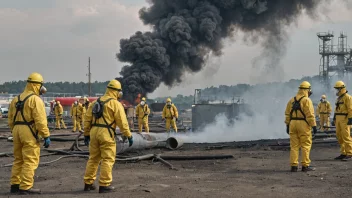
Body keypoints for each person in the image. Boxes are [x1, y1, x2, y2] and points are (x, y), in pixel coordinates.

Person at [83, 79, 133, 193]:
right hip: (106, 133)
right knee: (108, 159)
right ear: (117, 92)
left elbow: (87, 119)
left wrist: (86, 134)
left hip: (94, 132)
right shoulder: (115, 104)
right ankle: (104, 185)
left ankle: (88, 183)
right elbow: (122, 122)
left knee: (93, 159)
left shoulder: (95, 102)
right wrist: (128, 135)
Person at [7, 72, 51, 194]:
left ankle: (15, 184)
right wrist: (46, 135)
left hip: (16, 130)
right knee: (30, 159)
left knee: (18, 159)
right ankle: (26, 186)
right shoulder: (35, 100)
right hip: (29, 131)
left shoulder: (16, 99)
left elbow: (10, 119)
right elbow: (40, 121)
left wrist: (14, 130)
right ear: (38, 85)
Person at [284, 81, 317, 172]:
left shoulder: (292, 100)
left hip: (292, 123)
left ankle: (294, 166)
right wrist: (314, 126)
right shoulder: (307, 100)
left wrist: (287, 125)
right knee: (305, 145)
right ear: (307, 90)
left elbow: (287, 114)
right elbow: (310, 114)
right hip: (303, 124)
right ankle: (305, 165)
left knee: (294, 146)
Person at [332, 81, 352, 161]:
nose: (336, 90)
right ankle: (343, 153)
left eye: (337, 89)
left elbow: (350, 109)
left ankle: (350, 153)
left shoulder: (348, 97)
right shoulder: (338, 98)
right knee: (339, 136)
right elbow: (336, 109)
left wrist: (350, 119)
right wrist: (334, 117)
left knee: (346, 136)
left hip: (345, 118)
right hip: (338, 118)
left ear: (342, 89)